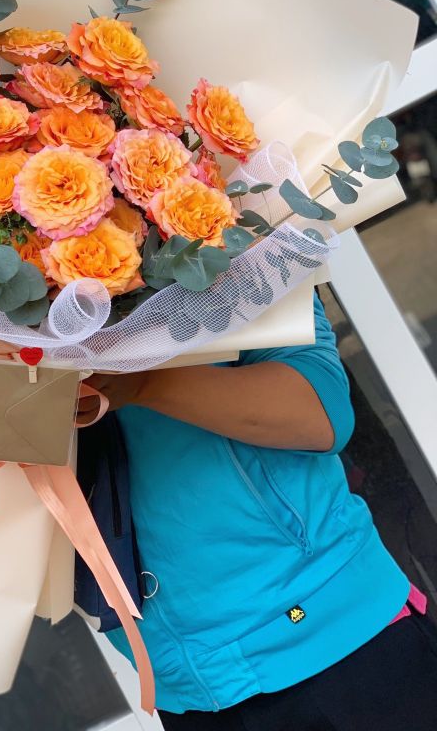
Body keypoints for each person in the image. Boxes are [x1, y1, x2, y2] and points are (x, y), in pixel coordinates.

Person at [90, 293, 437, 730]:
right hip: (187, 687)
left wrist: (145, 382)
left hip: (337, 634)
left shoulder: (234, 256)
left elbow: (321, 410)